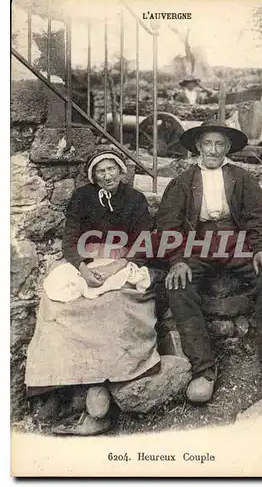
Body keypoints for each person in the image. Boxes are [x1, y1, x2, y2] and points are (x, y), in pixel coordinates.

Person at [155, 120, 262, 404]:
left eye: (219, 144)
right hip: (196, 245)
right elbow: (168, 226)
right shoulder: (182, 182)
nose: (213, 149)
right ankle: (204, 370)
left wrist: (260, 250)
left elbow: (259, 217)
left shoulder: (242, 178)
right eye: (207, 144)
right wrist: (176, 260)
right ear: (198, 146)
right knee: (178, 285)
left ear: (227, 147)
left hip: (236, 242)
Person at [25, 146, 161, 435]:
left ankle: (102, 387)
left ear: (121, 171)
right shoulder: (82, 198)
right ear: (93, 176)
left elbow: (143, 243)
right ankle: (61, 385)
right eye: (101, 171)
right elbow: (71, 239)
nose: (107, 175)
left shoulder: (134, 200)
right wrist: (83, 269)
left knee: (115, 302)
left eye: (111, 169)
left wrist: (114, 268)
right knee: (56, 302)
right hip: (88, 264)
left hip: (122, 262)